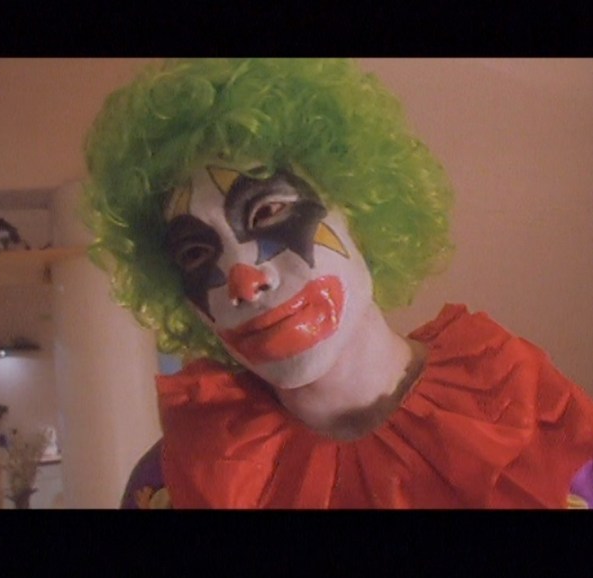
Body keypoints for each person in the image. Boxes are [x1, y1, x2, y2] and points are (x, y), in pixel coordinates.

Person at [82, 59, 593, 509]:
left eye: (268, 211)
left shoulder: (535, 427)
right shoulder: (177, 486)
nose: (243, 281)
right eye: (196, 253)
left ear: (360, 211)